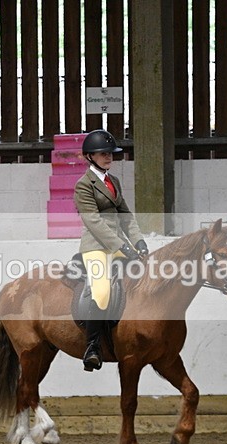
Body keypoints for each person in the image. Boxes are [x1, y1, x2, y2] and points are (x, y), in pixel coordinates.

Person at [73, 129, 148, 372]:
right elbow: (93, 222)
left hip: (118, 246)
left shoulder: (113, 181)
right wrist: (122, 246)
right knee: (103, 291)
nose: (109, 158)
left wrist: (139, 242)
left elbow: (125, 215)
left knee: (143, 276)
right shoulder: (84, 185)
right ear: (90, 156)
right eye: (103, 154)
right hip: (96, 247)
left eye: (110, 154)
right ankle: (92, 348)